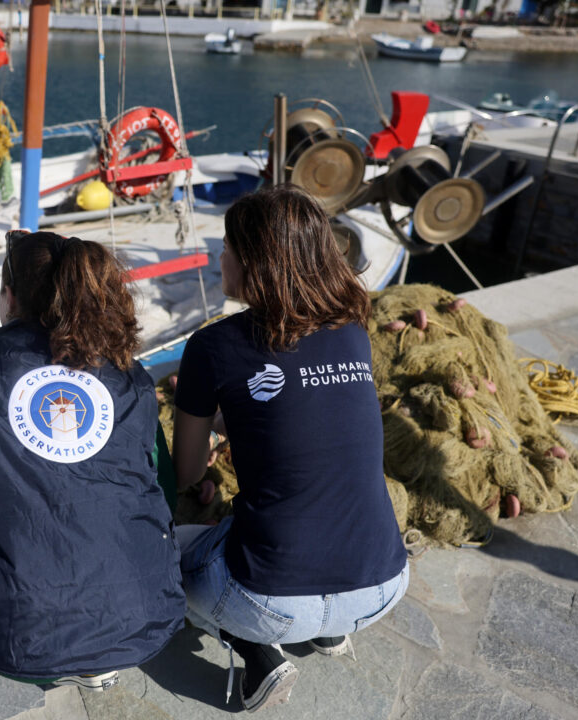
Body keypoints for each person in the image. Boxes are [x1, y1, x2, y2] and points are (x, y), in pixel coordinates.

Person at [0, 231, 185, 690]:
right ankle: (92, 648)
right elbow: (162, 495)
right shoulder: (133, 379)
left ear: (9, 298)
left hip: (5, 632)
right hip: (142, 616)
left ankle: (65, 647)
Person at [171, 186, 408, 712]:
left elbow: (186, 473)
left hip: (269, 601)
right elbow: (308, 412)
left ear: (254, 261)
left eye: (228, 247)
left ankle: (256, 651)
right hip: (384, 588)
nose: (221, 257)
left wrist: (207, 432)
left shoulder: (213, 346)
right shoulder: (352, 331)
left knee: (168, 548)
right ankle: (330, 630)